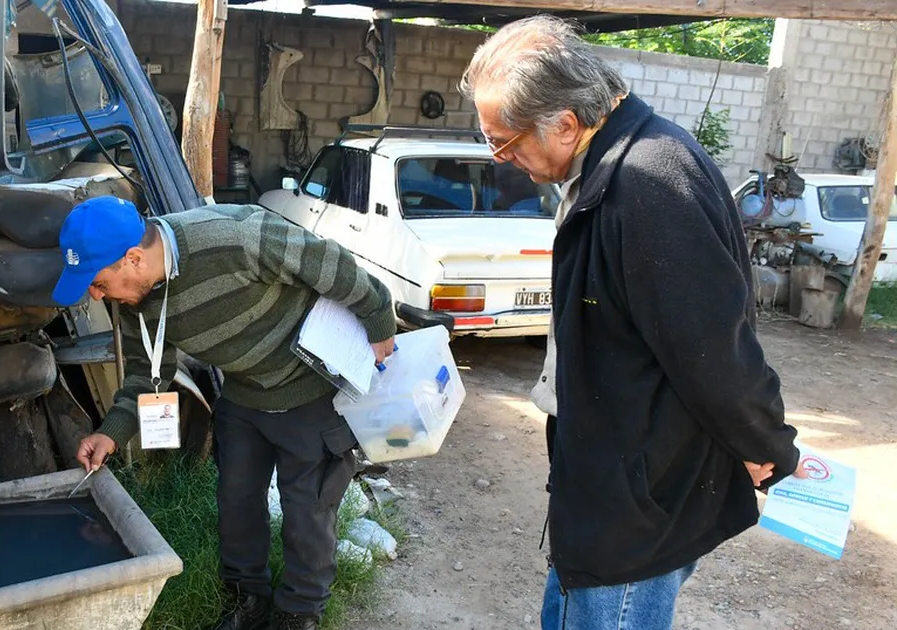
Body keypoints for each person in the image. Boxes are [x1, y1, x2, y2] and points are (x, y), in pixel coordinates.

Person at [459, 16, 805, 630]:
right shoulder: (603, 165)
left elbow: (715, 351)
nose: (503, 160)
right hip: (605, 479)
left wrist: (766, 446)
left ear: (564, 123)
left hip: (637, 500)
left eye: (505, 143)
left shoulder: (648, 183)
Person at [51, 196, 396, 630]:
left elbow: (330, 262)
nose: (95, 294)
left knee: (307, 510)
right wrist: (112, 432)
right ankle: (247, 601)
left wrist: (379, 318)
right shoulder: (136, 301)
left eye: (98, 282)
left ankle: (298, 613)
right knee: (236, 505)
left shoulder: (235, 238)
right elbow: (147, 374)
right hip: (243, 395)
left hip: (309, 392)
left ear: (133, 258)